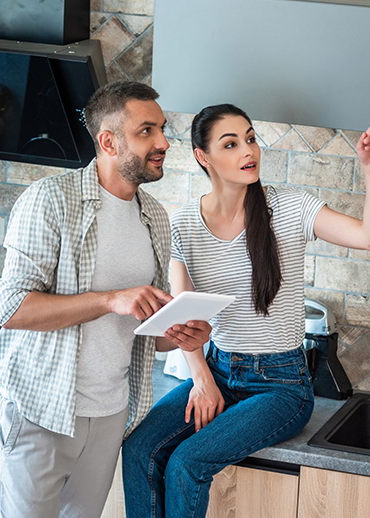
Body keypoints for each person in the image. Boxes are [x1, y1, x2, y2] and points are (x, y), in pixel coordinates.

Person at [122, 103, 370, 518]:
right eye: (231, 143)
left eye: (251, 139)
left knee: (187, 464)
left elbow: (365, 236)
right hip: (218, 370)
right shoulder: (183, 225)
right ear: (204, 157)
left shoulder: (289, 209)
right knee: (139, 449)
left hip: (282, 386)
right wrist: (202, 381)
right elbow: (185, 324)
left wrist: (366, 166)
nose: (248, 150)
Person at [0, 81, 211, 518]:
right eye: (147, 131)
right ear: (108, 141)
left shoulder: (155, 218)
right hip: (39, 409)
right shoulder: (50, 200)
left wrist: (182, 333)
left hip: (109, 414)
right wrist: (109, 300)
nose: (163, 142)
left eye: (162, 129)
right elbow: (11, 308)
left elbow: (146, 327)